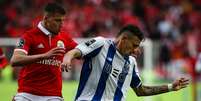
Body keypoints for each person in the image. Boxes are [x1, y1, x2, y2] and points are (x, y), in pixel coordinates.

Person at [61, 24, 189, 101]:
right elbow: (76, 51)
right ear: (124, 39)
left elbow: (141, 91)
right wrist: (68, 58)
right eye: (134, 45)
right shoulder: (101, 44)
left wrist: (171, 87)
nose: (135, 50)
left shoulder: (131, 63)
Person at [10, 3, 77, 101]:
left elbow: (81, 50)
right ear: (46, 19)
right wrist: (44, 56)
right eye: (58, 20)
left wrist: (69, 56)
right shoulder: (29, 36)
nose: (62, 24)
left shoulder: (64, 37)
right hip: (27, 94)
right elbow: (15, 60)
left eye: (63, 20)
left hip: (54, 95)